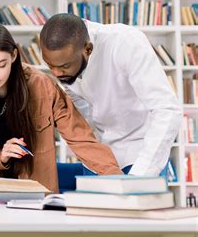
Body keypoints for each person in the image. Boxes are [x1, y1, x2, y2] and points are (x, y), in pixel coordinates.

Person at [0, 23, 122, 193]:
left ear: (14, 55)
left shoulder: (42, 85)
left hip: (34, 193)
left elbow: (80, 138)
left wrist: (118, 180)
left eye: (1, 65)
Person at [39, 13, 183, 176]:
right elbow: (83, 111)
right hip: (102, 157)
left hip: (141, 154)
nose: (56, 73)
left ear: (88, 49)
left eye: (64, 66)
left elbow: (167, 110)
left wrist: (140, 177)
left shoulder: (125, 42)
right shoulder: (64, 61)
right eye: (50, 65)